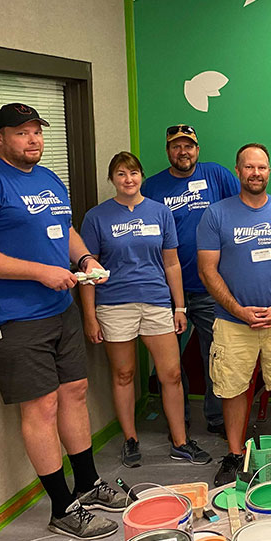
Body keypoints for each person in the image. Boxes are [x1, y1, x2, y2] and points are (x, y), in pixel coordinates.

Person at [0, 103, 126, 540]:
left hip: (58, 309)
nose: (33, 140)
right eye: (22, 133)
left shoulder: (48, 179)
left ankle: (88, 483)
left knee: (76, 391)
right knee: (42, 406)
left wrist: (83, 256)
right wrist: (38, 271)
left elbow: (62, 229)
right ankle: (62, 506)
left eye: (36, 132)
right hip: (11, 316)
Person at [79, 152, 211, 468]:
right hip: (113, 304)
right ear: (112, 179)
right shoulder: (96, 218)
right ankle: (130, 440)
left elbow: (171, 262)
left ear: (141, 177)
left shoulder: (160, 212)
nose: (128, 179)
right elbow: (86, 272)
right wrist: (89, 315)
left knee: (172, 373)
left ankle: (180, 441)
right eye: (121, 174)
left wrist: (179, 306)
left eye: (134, 172)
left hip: (156, 302)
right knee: (124, 374)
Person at [198, 143, 271, 485]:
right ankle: (234, 455)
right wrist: (238, 309)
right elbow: (207, 270)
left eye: (261, 167)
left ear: (269, 171)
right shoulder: (216, 214)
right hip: (233, 322)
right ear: (238, 171)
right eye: (249, 167)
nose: (255, 173)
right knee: (232, 390)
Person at [143, 124, 240, 436]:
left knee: (216, 357)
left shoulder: (217, 175)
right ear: (168, 150)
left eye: (189, 146)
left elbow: (237, 213)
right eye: (176, 146)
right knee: (169, 364)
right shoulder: (153, 187)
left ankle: (217, 419)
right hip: (167, 290)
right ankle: (178, 419)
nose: (183, 152)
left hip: (212, 288)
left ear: (198, 149)